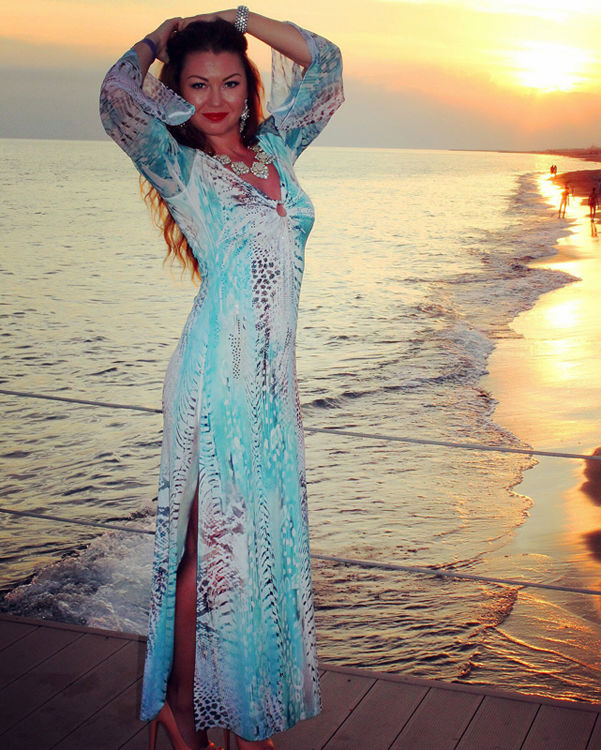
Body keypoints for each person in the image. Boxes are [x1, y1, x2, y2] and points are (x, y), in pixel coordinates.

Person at [100, 7, 343, 750]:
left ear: (248, 88)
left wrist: (240, 15)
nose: (214, 99)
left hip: (271, 388)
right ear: (176, 92)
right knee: (209, 551)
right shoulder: (178, 166)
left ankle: (236, 704)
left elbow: (328, 67)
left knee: (253, 550)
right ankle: (182, 704)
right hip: (216, 378)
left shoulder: (277, 148)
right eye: (197, 84)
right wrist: (162, 35)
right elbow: (115, 94)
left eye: (230, 83)